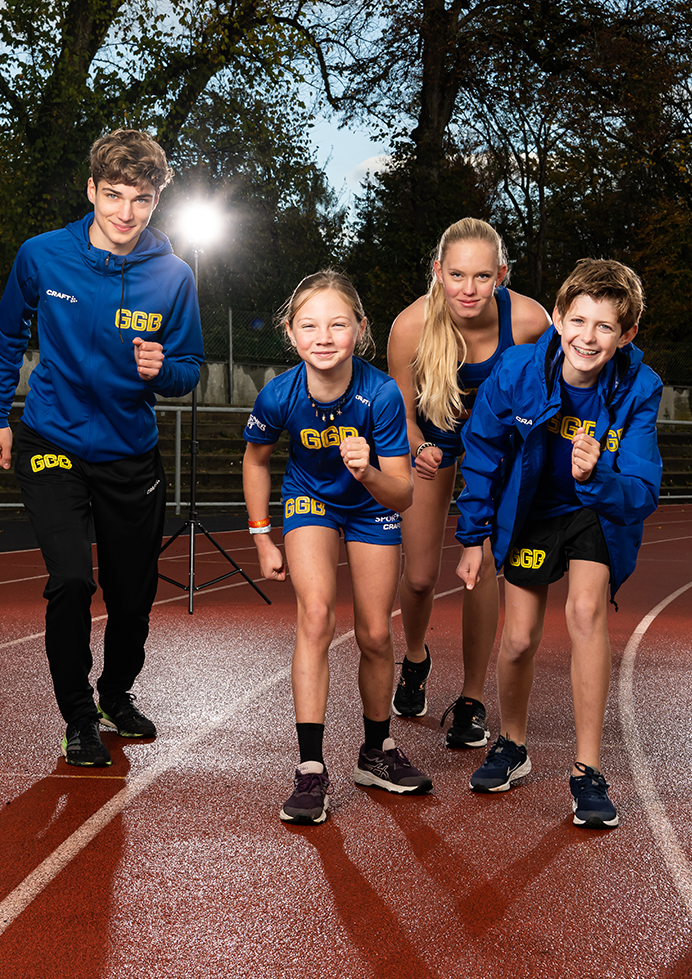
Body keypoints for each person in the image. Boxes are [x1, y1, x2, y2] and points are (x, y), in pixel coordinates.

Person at [0, 128, 204, 766]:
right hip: (50, 440)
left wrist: (161, 370)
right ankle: (78, 716)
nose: (125, 213)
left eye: (140, 199)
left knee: (132, 594)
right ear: (91, 190)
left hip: (129, 454)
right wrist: (0, 417)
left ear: (157, 200)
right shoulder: (42, 256)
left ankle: (114, 693)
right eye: (113, 196)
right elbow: (5, 335)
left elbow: (189, 368)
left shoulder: (174, 277)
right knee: (73, 580)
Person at [455, 259, 663, 827]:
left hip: (596, 507)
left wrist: (596, 476)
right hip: (533, 512)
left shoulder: (640, 388)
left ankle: (587, 771)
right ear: (556, 318)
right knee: (519, 638)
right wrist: (473, 536)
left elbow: (643, 490)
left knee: (586, 611)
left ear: (626, 336)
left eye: (604, 327)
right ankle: (513, 745)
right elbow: (482, 452)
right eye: (578, 321)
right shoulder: (518, 371)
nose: (587, 337)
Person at [242, 270, 433, 825]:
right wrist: (261, 536)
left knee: (375, 631)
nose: (323, 337)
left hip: (371, 504)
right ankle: (309, 769)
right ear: (291, 333)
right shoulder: (279, 394)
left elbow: (402, 495)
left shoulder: (381, 396)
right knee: (317, 616)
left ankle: (376, 751)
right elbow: (255, 459)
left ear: (360, 330)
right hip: (310, 502)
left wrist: (367, 469)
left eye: (337, 324)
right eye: (309, 325)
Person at [388, 218, 550, 747]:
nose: (468, 289)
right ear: (438, 271)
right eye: (456, 275)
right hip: (432, 442)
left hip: (495, 451)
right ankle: (415, 657)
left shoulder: (529, 320)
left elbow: (550, 395)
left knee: (479, 568)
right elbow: (401, 417)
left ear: (501, 275)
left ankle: (472, 699)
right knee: (417, 577)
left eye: (483, 277)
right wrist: (419, 449)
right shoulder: (410, 327)